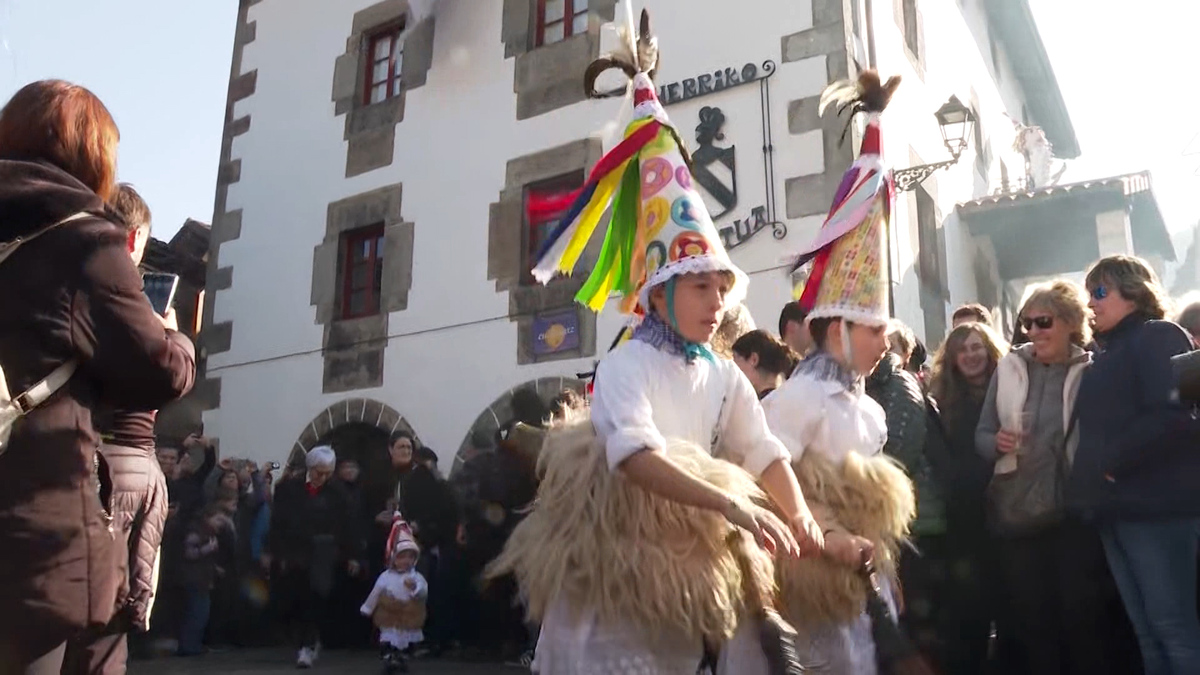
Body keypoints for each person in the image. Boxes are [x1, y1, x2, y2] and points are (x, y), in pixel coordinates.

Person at [489, 12, 822, 673]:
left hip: (680, 574)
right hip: (617, 569)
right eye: (700, 287)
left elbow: (760, 447)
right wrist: (729, 502)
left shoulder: (723, 373)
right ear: (662, 292)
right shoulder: (625, 364)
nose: (718, 302)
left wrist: (800, 510)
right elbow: (632, 453)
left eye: (721, 287)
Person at [0, 80, 196, 673]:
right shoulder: (82, 240)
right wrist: (177, 337)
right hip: (31, 517)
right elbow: (155, 373)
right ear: (92, 155)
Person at [764, 68, 917, 675]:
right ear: (837, 331)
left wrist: (887, 569)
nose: (885, 341)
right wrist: (824, 538)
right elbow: (768, 484)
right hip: (810, 582)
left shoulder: (873, 408)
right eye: (874, 329)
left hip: (861, 577)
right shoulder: (795, 401)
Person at [977, 279, 1138, 675]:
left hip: (1072, 515)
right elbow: (980, 435)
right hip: (1018, 513)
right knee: (1034, 625)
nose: (1033, 332)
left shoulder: (1091, 368)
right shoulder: (1009, 367)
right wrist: (996, 442)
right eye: (1026, 323)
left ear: (1069, 324)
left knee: (1082, 621)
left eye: (1043, 322)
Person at [59, 183, 173, 674]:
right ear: (134, 237)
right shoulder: (125, 296)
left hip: (82, 452)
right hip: (126, 458)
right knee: (109, 617)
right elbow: (165, 373)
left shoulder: (68, 278)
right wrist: (171, 335)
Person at [1071, 255, 1200, 675]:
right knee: (1146, 631)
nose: (1091, 303)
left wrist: (1113, 460)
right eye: (1090, 293)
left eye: (1100, 291)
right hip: (1117, 511)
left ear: (1133, 291)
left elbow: (1177, 415)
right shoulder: (1107, 352)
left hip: (1159, 510)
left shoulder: (1161, 336)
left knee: (1174, 629)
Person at [926, 322, 1013, 673]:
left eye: (977, 347)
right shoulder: (943, 402)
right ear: (952, 359)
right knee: (971, 616)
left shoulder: (1010, 392)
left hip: (1009, 514)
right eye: (962, 349)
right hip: (965, 523)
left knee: (1013, 613)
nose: (971, 355)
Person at [267, 445, 363, 668]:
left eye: (327, 473)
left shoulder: (338, 493)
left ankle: (308, 645)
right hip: (294, 551)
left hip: (323, 554)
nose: (323, 477)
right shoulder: (288, 490)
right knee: (295, 598)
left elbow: (348, 526)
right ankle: (302, 640)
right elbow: (277, 523)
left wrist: (353, 555)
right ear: (310, 468)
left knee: (315, 597)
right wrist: (274, 551)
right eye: (319, 472)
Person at [362, 520, 429, 674]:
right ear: (393, 558)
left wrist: (416, 589)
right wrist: (368, 607)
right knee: (389, 637)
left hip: (408, 613)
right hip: (390, 613)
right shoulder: (385, 577)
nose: (406, 561)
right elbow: (376, 592)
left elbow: (423, 590)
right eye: (401, 557)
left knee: (406, 639)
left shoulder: (415, 576)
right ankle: (390, 657)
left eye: (410, 557)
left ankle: (402, 657)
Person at [731, 329, 800, 399]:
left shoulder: (756, 407)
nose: (732, 365)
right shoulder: (788, 400)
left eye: (735, 358)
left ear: (753, 360)